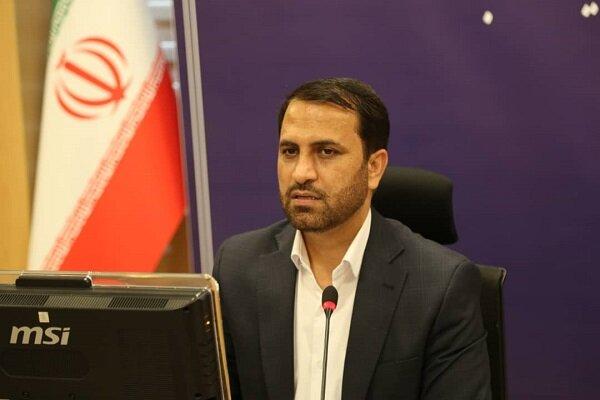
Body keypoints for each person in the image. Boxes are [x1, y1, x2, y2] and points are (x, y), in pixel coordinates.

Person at [212, 78, 491, 399]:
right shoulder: (237, 267)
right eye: (290, 151)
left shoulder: (439, 286)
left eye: (326, 152)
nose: (301, 173)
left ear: (374, 168)